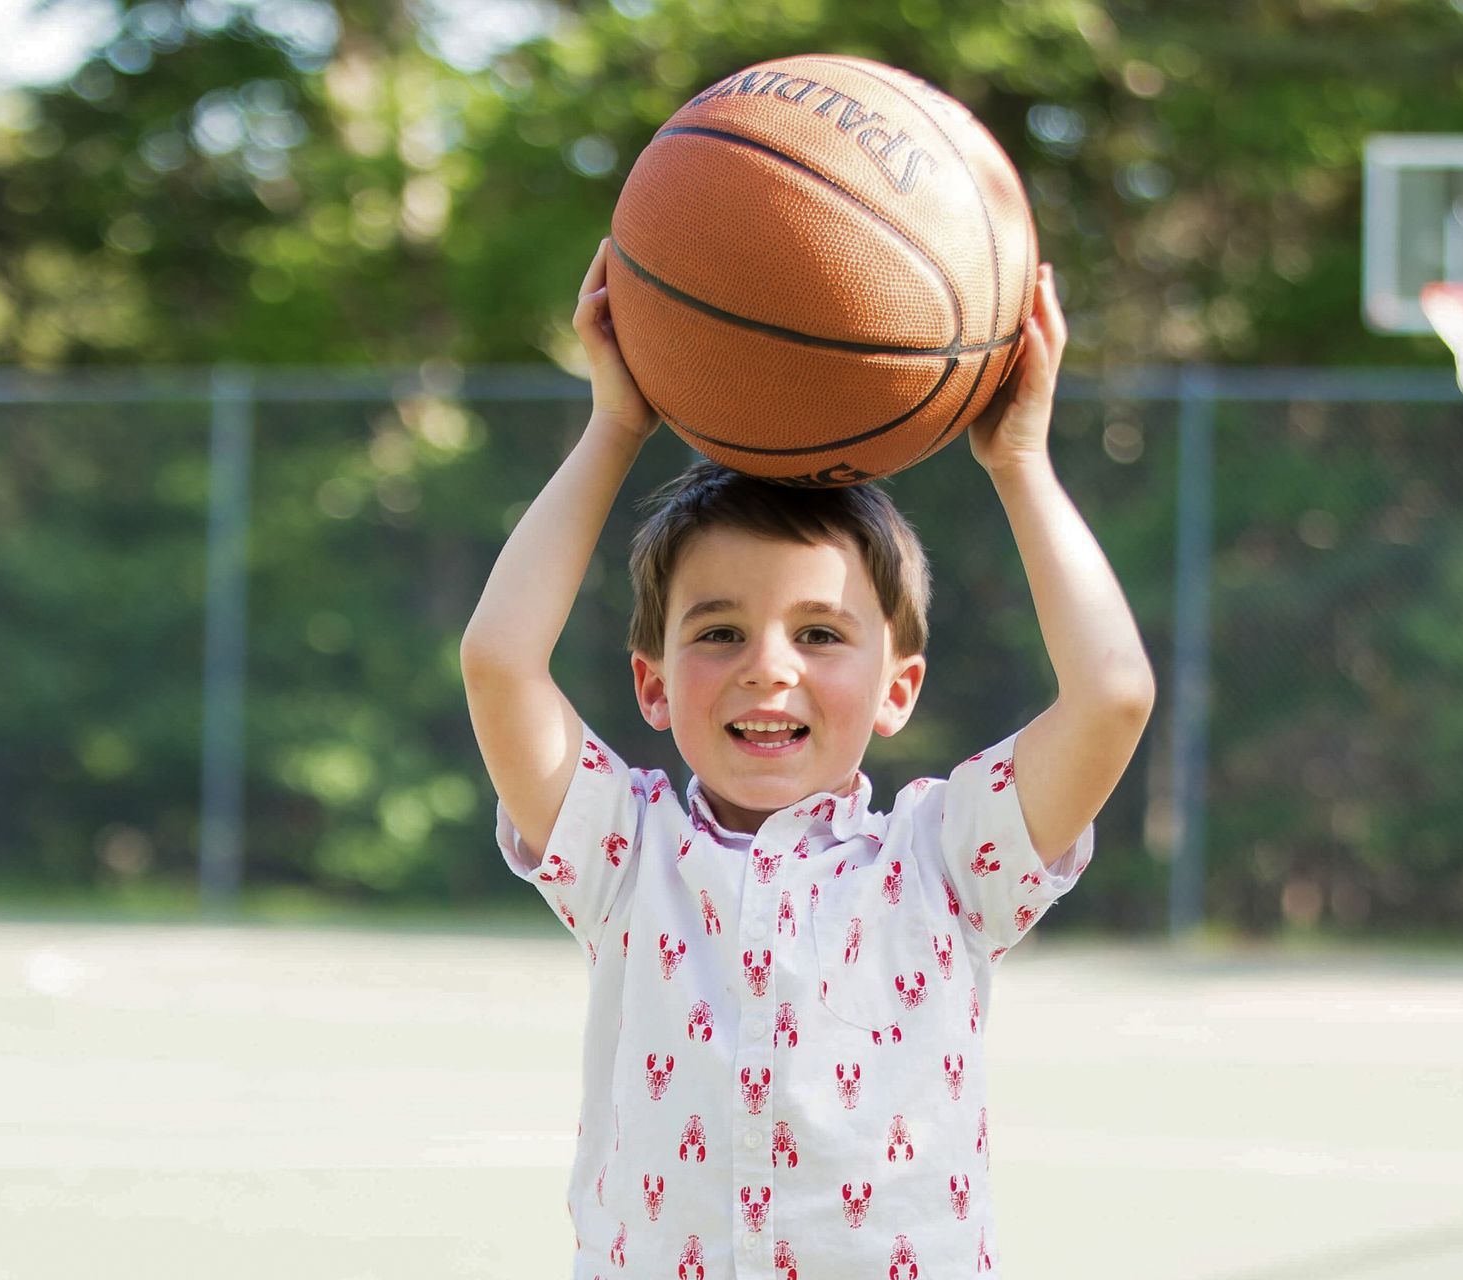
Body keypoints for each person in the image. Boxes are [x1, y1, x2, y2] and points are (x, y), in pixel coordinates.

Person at [460, 238, 1154, 1279]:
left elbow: (1113, 694)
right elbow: (499, 660)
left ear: (898, 689)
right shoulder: (624, 852)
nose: (767, 669)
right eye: (719, 631)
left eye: (821, 634)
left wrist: (1021, 465)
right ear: (651, 683)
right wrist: (614, 424)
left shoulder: (946, 858)